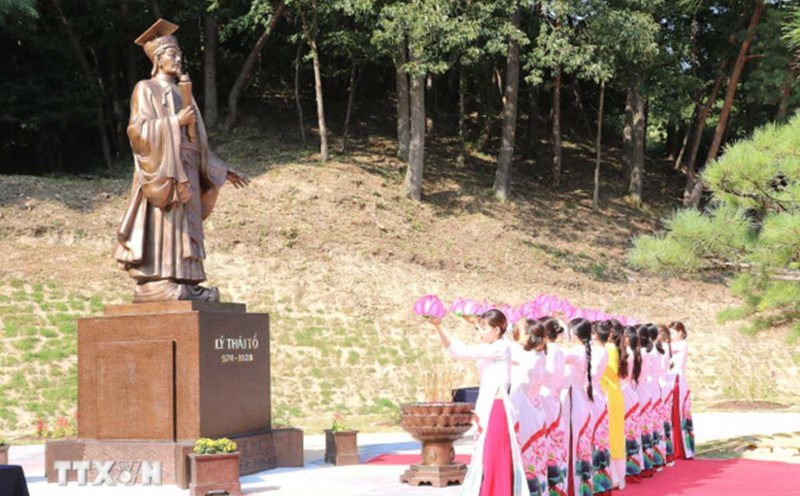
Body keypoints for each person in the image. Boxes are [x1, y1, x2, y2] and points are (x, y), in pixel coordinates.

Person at [114, 19, 249, 303]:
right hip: (164, 169)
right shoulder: (145, 89)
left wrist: (220, 170)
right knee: (166, 227)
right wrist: (174, 122)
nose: (177, 59)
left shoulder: (185, 93)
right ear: (157, 59)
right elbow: (136, 131)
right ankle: (159, 282)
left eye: (179, 55)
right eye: (171, 55)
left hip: (188, 168)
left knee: (188, 230)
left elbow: (198, 142)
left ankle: (188, 283)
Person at [429, 310, 527, 496]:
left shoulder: (498, 347)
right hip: (491, 406)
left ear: (497, 330)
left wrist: (440, 326)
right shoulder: (496, 345)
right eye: (478, 329)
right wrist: (441, 327)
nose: (479, 333)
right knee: (488, 458)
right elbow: (456, 351)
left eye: (483, 329)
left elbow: (462, 352)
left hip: (496, 408)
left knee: (494, 457)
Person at [510, 319, 548, 496]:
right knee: (535, 458)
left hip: (524, 411)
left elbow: (506, 347)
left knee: (525, 457)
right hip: (534, 409)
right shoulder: (540, 355)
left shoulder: (527, 357)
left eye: (523, 332)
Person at [562, 318, 595, 496]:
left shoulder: (576, 352)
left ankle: (574, 488)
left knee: (573, 444)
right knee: (577, 445)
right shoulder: (582, 350)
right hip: (578, 400)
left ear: (574, 334)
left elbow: (556, 356)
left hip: (574, 402)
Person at [597, 320, 626, 491]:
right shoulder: (614, 348)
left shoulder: (608, 349)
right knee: (615, 434)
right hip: (614, 393)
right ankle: (617, 475)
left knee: (611, 435)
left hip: (608, 393)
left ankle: (614, 475)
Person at [541, 317, 568, 496]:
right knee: (555, 442)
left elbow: (545, 374)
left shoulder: (548, 351)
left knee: (547, 442)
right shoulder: (558, 350)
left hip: (545, 397)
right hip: (554, 397)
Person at [589, 322, 612, 496]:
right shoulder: (597, 349)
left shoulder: (599, 351)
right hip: (594, 393)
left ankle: (598, 481)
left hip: (593, 394)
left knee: (596, 438)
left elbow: (592, 373)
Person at [669, 321, 695, 459]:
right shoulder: (671, 346)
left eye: (672, 332)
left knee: (678, 415)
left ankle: (681, 449)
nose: (670, 335)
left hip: (677, 379)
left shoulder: (682, 345)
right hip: (671, 379)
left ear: (680, 332)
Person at [622, 326, 644, 483]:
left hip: (625, 392)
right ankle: (635, 465)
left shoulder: (627, 354)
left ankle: (628, 467)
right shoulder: (636, 353)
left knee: (626, 432)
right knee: (632, 432)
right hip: (632, 391)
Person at [656, 325, 676, 465]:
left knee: (661, 423)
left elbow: (660, 368)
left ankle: (663, 454)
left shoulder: (661, 348)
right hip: (664, 385)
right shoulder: (666, 347)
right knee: (665, 422)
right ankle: (667, 454)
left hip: (661, 385)